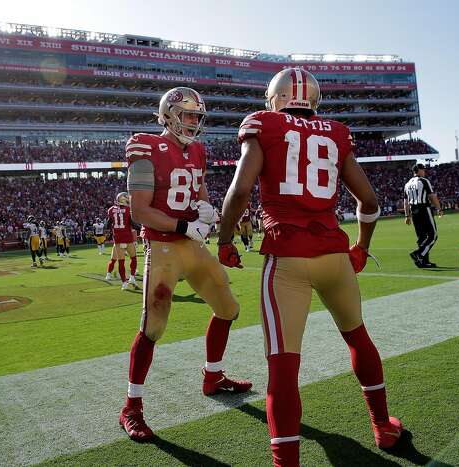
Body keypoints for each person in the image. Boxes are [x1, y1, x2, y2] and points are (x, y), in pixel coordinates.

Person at [218, 68, 402, 467]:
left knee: (283, 365)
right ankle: (383, 425)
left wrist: (225, 239)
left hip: (287, 259)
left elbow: (241, 188)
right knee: (359, 339)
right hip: (334, 256)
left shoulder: (264, 123)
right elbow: (369, 201)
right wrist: (361, 248)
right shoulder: (335, 130)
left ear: (276, 97)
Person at [119, 87, 252, 442]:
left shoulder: (197, 150)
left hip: (192, 244)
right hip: (163, 246)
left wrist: (207, 212)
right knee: (154, 325)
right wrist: (183, 225)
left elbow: (200, 190)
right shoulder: (146, 146)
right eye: (188, 114)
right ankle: (131, 407)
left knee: (228, 308)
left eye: (197, 116)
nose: (194, 122)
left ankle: (213, 375)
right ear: (169, 113)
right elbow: (140, 210)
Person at [403, 163, 443, 268]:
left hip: (414, 211)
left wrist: (407, 216)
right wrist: (439, 208)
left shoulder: (407, 184)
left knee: (422, 237)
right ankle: (419, 254)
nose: (424, 172)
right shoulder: (424, 181)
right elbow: (432, 196)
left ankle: (423, 261)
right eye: (423, 170)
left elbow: (406, 202)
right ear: (419, 170)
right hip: (424, 209)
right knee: (433, 235)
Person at [105, 192, 138, 290]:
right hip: (127, 238)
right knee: (133, 258)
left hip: (118, 240)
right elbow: (133, 225)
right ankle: (132, 277)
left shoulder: (111, 210)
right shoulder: (128, 210)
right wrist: (143, 227)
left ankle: (124, 283)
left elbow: (107, 225)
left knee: (121, 262)